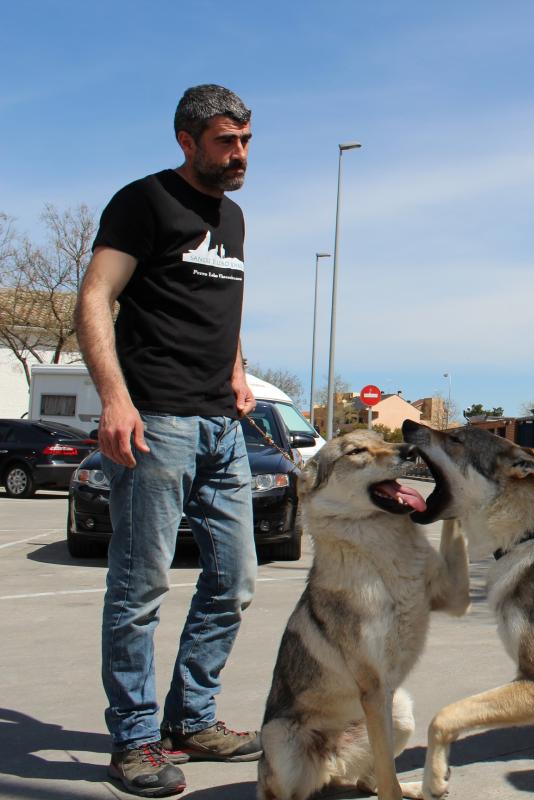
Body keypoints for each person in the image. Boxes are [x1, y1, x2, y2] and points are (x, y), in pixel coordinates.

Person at [75, 84, 262, 797]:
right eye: (225, 141)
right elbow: (96, 296)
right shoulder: (144, 201)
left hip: (222, 424)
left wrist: (239, 368)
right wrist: (115, 398)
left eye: (245, 139)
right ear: (187, 141)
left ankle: (192, 718)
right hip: (158, 422)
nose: (240, 153)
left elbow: (222, 299)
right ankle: (134, 740)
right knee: (139, 588)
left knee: (235, 580)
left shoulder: (233, 218)